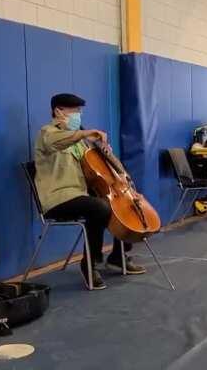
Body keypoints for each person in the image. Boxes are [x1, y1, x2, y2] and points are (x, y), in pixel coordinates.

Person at [34, 93, 145, 290]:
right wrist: (85, 133)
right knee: (99, 207)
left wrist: (108, 157)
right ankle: (89, 263)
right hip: (58, 198)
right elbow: (56, 142)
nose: (79, 116)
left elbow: (99, 171)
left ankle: (118, 256)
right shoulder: (47, 133)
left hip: (81, 194)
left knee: (118, 204)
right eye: (75, 111)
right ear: (59, 111)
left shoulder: (81, 143)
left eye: (80, 112)